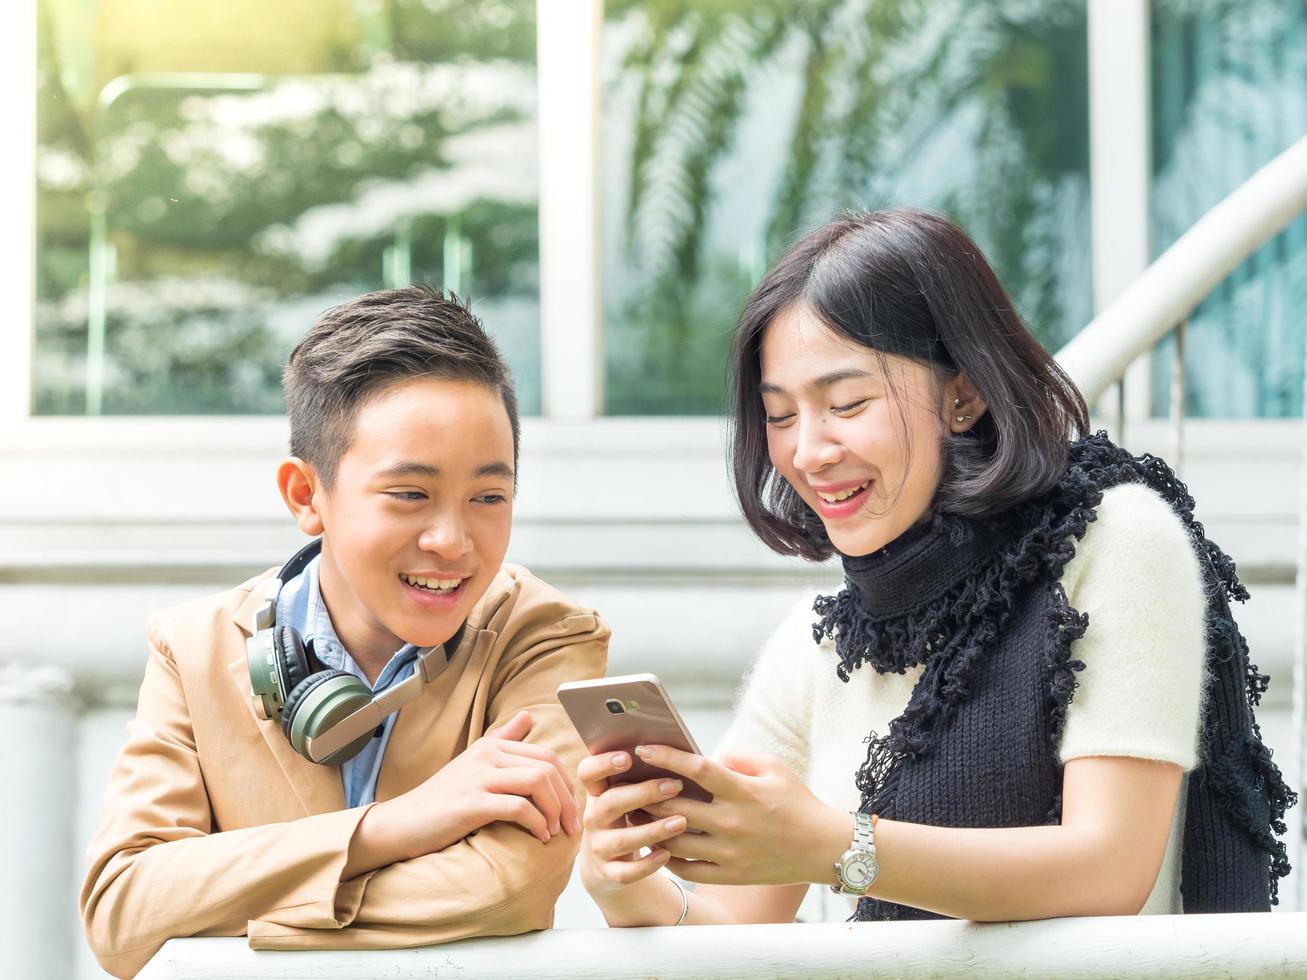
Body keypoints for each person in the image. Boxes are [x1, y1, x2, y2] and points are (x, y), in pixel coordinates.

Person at [578, 208, 1295, 927]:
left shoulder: (1115, 544)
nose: (808, 451)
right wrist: (626, 884)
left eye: (846, 403)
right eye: (781, 415)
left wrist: (832, 845)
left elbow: (1108, 869)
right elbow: (727, 936)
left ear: (964, 394)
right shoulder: (817, 646)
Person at [80, 286, 609, 977]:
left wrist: (217, 920)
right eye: (409, 495)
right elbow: (122, 910)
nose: (453, 541)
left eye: (489, 497)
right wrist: (394, 827)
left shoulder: (546, 637)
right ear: (307, 496)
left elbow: (507, 887)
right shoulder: (192, 647)